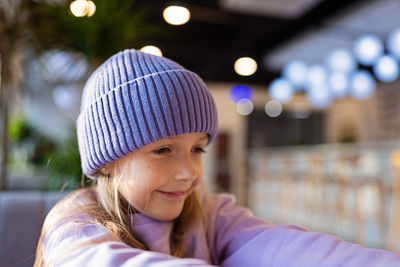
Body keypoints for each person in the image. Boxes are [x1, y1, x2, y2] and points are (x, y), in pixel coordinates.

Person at [34, 49, 400, 267]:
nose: (188, 173)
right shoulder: (75, 226)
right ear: (108, 161)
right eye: (163, 150)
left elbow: (290, 250)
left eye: (197, 149)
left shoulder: (207, 213)